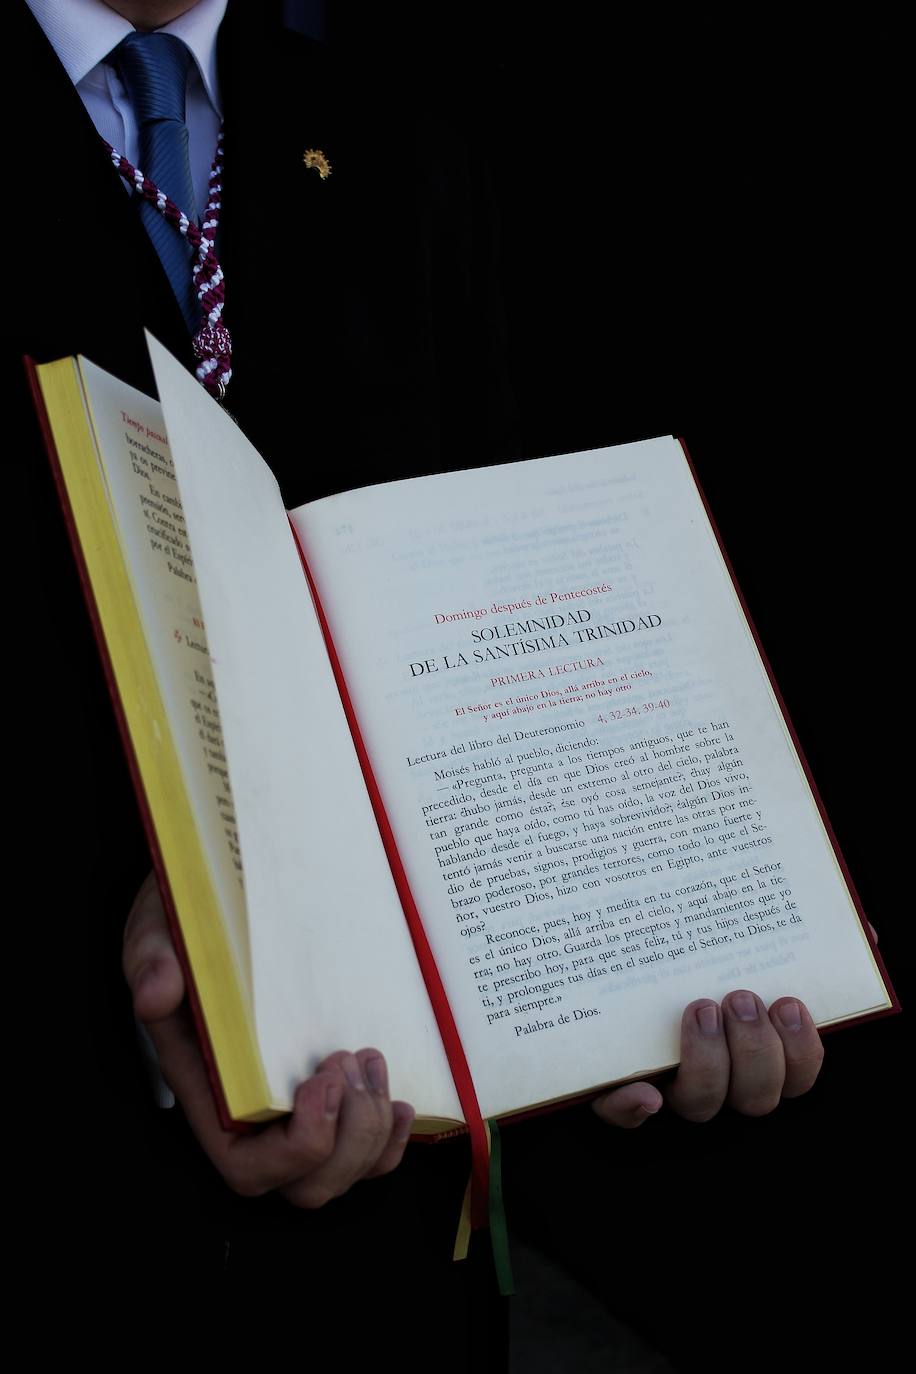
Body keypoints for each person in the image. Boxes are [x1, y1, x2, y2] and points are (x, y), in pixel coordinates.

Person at [11, 0, 854, 1362]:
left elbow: (483, 615)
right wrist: (161, 979)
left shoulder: (404, 149)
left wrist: (606, 968)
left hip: (393, 1263)